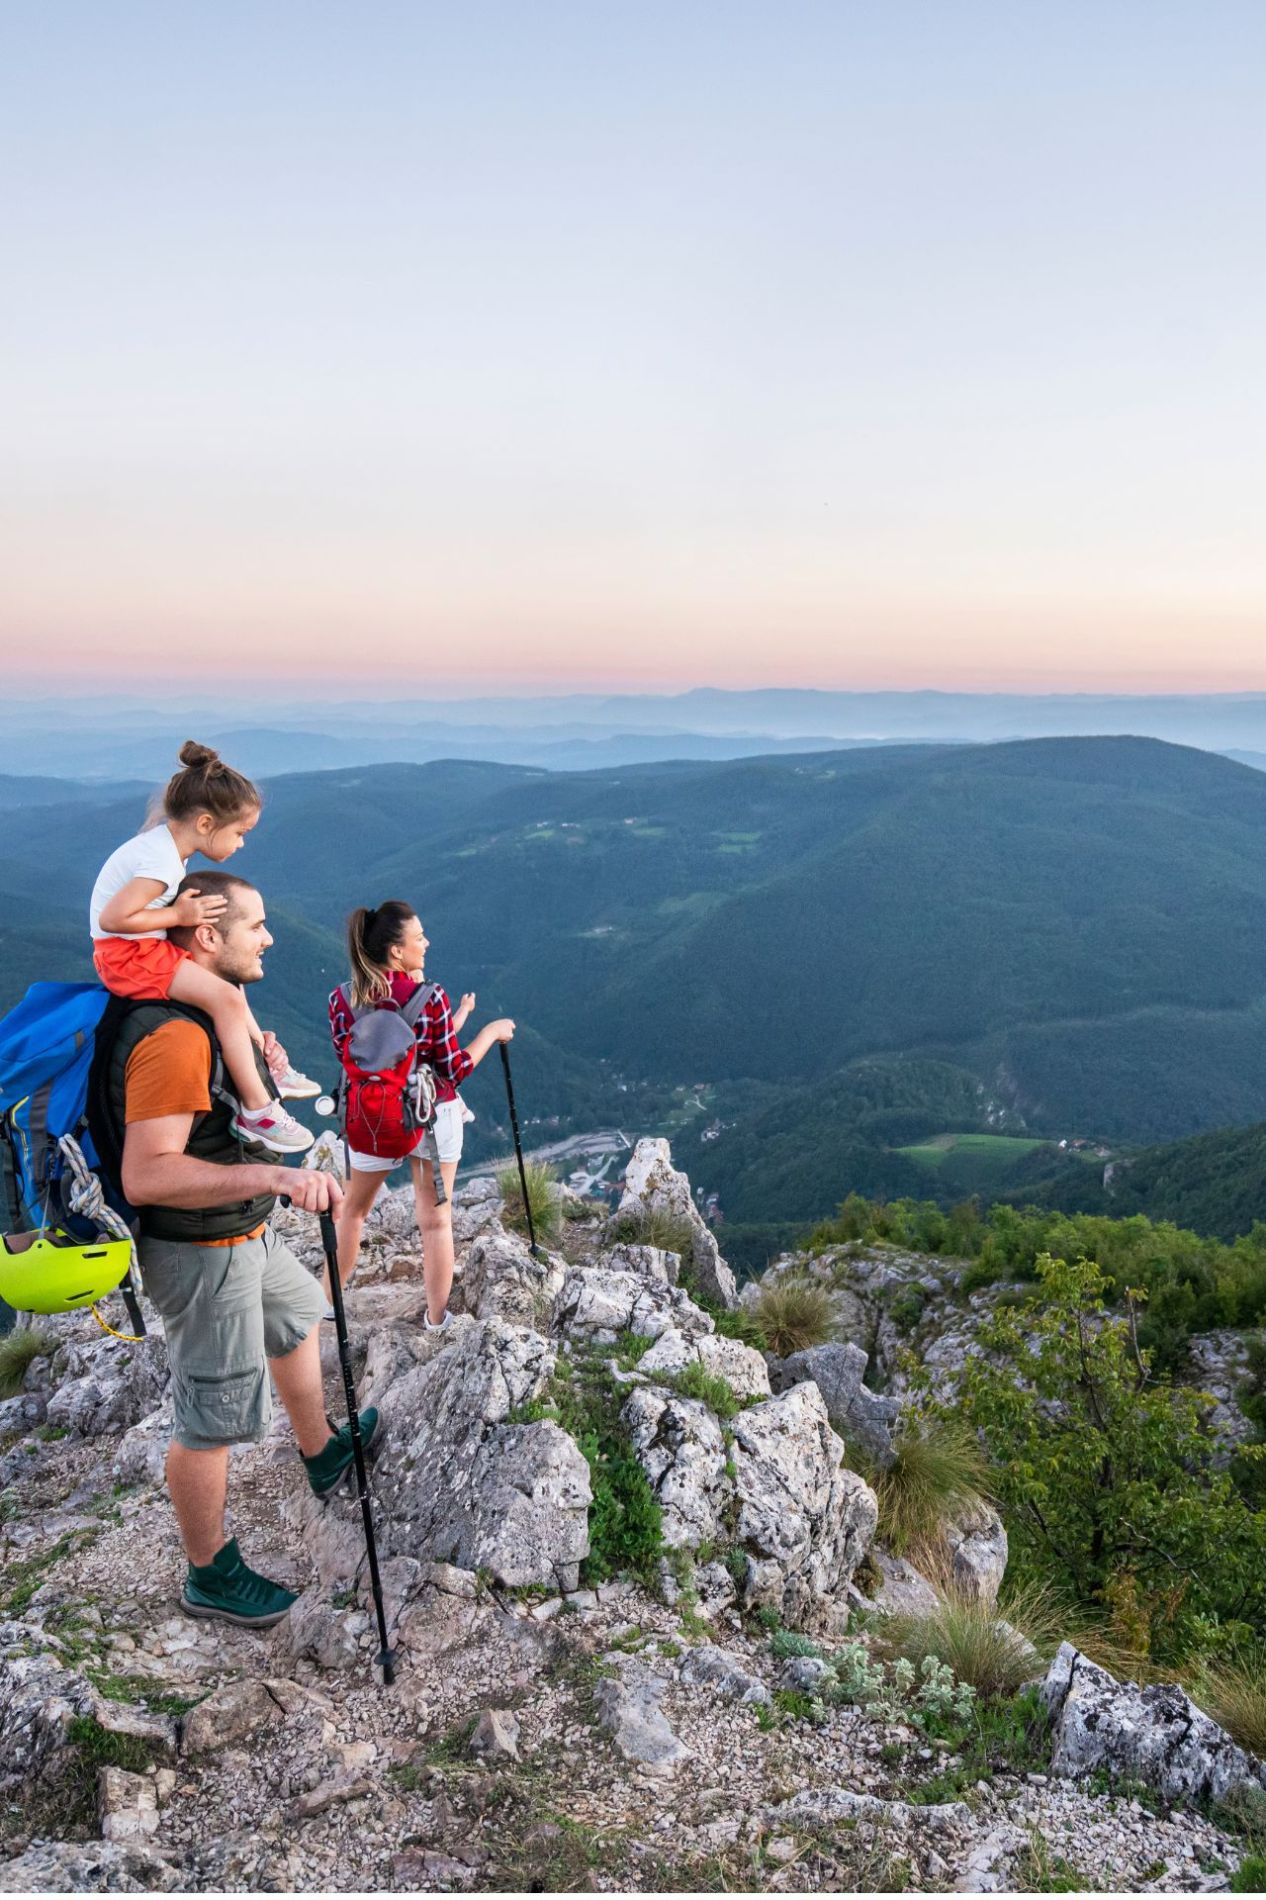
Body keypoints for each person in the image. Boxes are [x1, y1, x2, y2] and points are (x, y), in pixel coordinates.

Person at [115, 869, 379, 1628]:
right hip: (201, 1253)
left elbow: (221, 1117)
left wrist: (264, 1068)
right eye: (255, 926)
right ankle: (211, 1574)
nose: (269, 936)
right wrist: (277, 1176)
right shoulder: (170, 1037)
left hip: (242, 1230)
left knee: (298, 1315)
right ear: (205, 936)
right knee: (212, 1416)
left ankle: (322, 1450)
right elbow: (147, 1172)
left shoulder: (205, 1018)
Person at [90, 740, 316, 1155]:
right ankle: (258, 1110)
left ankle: (264, 1063)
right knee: (226, 1000)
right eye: (240, 833)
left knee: (230, 983)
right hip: (128, 958)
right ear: (206, 822)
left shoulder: (165, 846)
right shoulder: (161, 863)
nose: (242, 844)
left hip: (141, 949)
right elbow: (112, 920)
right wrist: (179, 917)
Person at [328, 901, 515, 1328]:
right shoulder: (429, 998)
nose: (426, 943)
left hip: (371, 1117)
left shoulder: (341, 999)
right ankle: (436, 1319)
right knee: (434, 1222)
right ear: (397, 951)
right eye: (419, 937)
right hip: (432, 1117)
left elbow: (352, 1055)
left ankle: (327, 1301)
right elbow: (455, 1069)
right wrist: (490, 1031)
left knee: (353, 1211)